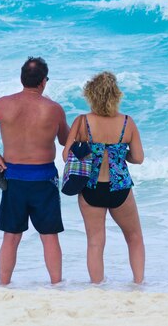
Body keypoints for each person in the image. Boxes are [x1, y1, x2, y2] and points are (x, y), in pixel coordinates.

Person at [0, 57, 69, 285]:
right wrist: (54, 110)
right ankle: (56, 285)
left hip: (13, 178)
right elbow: (65, 140)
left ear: (21, 79)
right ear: (44, 81)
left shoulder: (3, 104)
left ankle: (4, 284)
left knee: (11, 236)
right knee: (49, 236)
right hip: (44, 179)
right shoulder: (53, 109)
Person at [63, 71, 145, 284]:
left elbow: (66, 155)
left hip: (90, 187)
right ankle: (138, 283)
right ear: (116, 95)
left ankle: (97, 286)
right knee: (134, 237)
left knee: (95, 242)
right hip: (120, 188)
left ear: (91, 95)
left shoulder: (82, 122)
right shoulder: (127, 123)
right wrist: (120, 154)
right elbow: (138, 158)